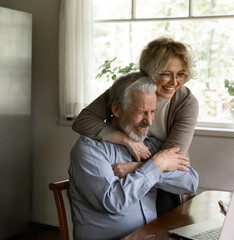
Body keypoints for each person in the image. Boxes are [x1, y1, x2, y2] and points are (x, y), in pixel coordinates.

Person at [72, 37, 199, 215]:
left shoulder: (186, 103)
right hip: (137, 179)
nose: (174, 82)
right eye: (166, 73)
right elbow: (83, 121)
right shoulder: (131, 89)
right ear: (150, 72)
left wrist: (130, 168)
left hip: (167, 186)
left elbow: (169, 158)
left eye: (181, 74)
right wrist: (127, 141)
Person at [68, 72, 199, 240]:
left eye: (153, 112)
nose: (149, 121)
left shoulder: (151, 145)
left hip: (149, 236)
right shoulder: (89, 150)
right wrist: (157, 166)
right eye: (141, 112)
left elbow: (190, 182)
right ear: (116, 109)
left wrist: (147, 166)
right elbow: (112, 201)